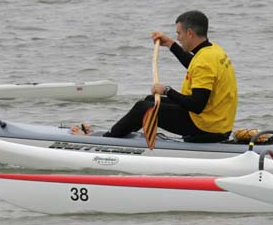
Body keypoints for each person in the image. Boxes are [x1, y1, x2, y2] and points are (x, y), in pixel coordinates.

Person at [71, 10, 237, 142]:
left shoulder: (204, 61)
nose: (178, 38)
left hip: (207, 128)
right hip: (217, 123)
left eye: (179, 34)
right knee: (150, 100)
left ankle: (106, 141)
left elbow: (197, 105)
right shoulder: (213, 50)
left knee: (143, 108)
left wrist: (167, 90)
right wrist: (171, 45)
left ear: (190, 33)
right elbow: (194, 65)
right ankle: (120, 135)